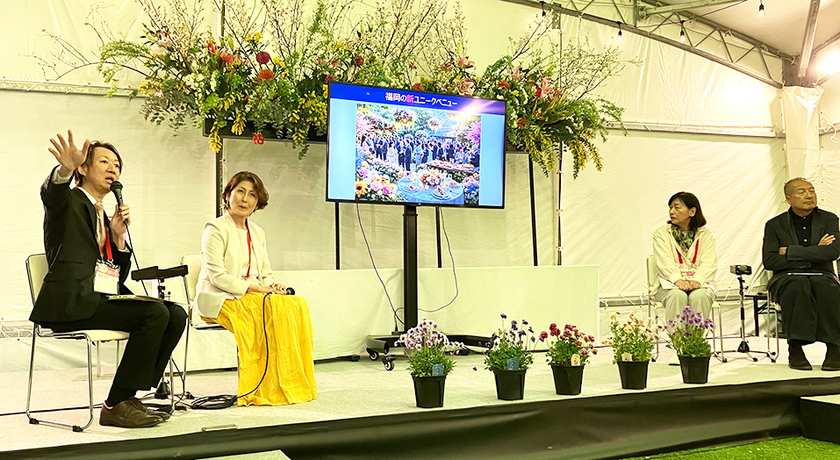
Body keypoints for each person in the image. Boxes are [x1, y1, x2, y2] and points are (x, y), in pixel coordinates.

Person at [31, 130, 187, 428]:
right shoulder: (68, 202)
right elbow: (52, 193)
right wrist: (64, 169)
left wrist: (118, 239)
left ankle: (130, 397)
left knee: (176, 313)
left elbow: (114, 277)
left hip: (99, 299)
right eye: (104, 161)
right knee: (154, 314)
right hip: (71, 303)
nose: (112, 168)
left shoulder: (103, 215)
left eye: (117, 164)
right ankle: (116, 403)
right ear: (83, 168)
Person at [194, 171, 317, 405]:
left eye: (252, 194)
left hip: (252, 295)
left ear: (257, 202)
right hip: (219, 297)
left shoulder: (258, 232)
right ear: (228, 195)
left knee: (295, 304)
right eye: (240, 191)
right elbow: (217, 277)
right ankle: (259, 387)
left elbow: (265, 273)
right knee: (261, 308)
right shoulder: (215, 228)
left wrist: (273, 285)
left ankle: (287, 382)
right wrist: (258, 290)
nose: (245, 198)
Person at [762, 177, 840, 371]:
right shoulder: (775, 225)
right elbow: (770, 260)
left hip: (822, 274)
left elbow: (832, 252)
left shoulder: (829, 219)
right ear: (788, 199)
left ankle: (834, 349)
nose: (809, 195)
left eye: (811, 190)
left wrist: (790, 251)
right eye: (802, 192)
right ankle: (795, 348)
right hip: (786, 276)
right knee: (797, 286)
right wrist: (816, 251)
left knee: (827, 288)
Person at [652, 192, 718, 325]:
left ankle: (697, 337)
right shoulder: (662, 234)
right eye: (670, 208)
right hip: (669, 284)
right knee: (677, 295)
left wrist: (698, 280)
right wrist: (677, 279)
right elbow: (664, 262)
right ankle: (677, 337)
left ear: (692, 211)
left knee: (699, 296)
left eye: (677, 208)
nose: (671, 212)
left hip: (700, 283)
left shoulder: (705, 234)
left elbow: (709, 263)